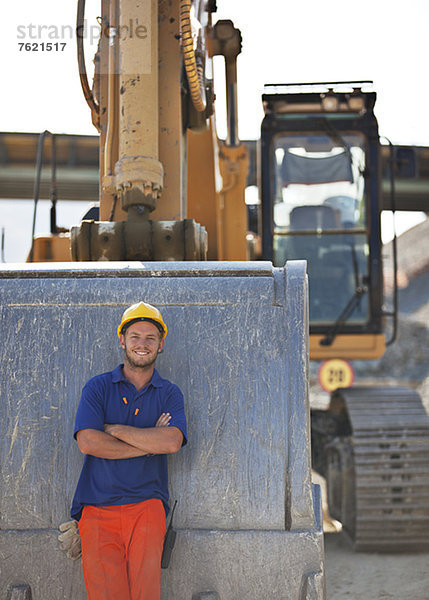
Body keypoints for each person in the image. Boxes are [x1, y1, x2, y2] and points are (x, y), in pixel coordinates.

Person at [70, 301, 187, 600]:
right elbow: (88, 443)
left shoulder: (169, 393)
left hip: (147, 507)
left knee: (145, 594)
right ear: (122, 340)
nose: (142, 344)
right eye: (135, 336)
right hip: (96, 508)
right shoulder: (97, 388)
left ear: (161, 345)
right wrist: (148, 445)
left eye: (151, 338)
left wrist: (115, 430)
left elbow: (172, 442)